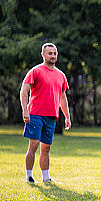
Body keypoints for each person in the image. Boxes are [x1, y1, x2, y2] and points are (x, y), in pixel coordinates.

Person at [20, 42, 72, 183]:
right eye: (50, 53)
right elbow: (24, 91)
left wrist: (67, 116)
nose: (53, 56)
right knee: (34, 145)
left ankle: (46, 178)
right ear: (43, 55)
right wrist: (25, 110)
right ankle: (29, 176)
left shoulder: (60, 75)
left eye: (55, 53)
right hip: (35, 114)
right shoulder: (35, 71)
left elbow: (62, 97)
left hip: (51, 116)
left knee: (46, 147)